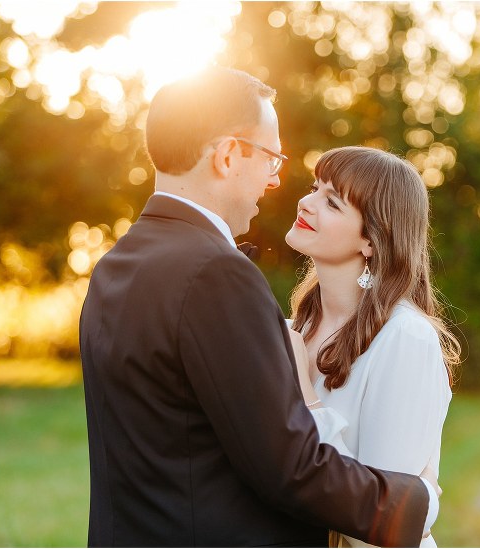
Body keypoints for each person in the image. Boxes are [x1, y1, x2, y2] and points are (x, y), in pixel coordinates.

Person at [79, 68, 441, 547]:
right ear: (229, 155)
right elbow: (288, 465)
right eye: (271, 158)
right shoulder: (215, 274)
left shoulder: (117, 264)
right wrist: (416, 501)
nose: (277, 183)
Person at [285, 146, 461, 548]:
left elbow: (379, 516)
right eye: (314, 188)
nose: (306, 203)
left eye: (331, 202)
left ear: (371, 239)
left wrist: (305, 394)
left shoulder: (405, 338)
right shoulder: (294, 327)